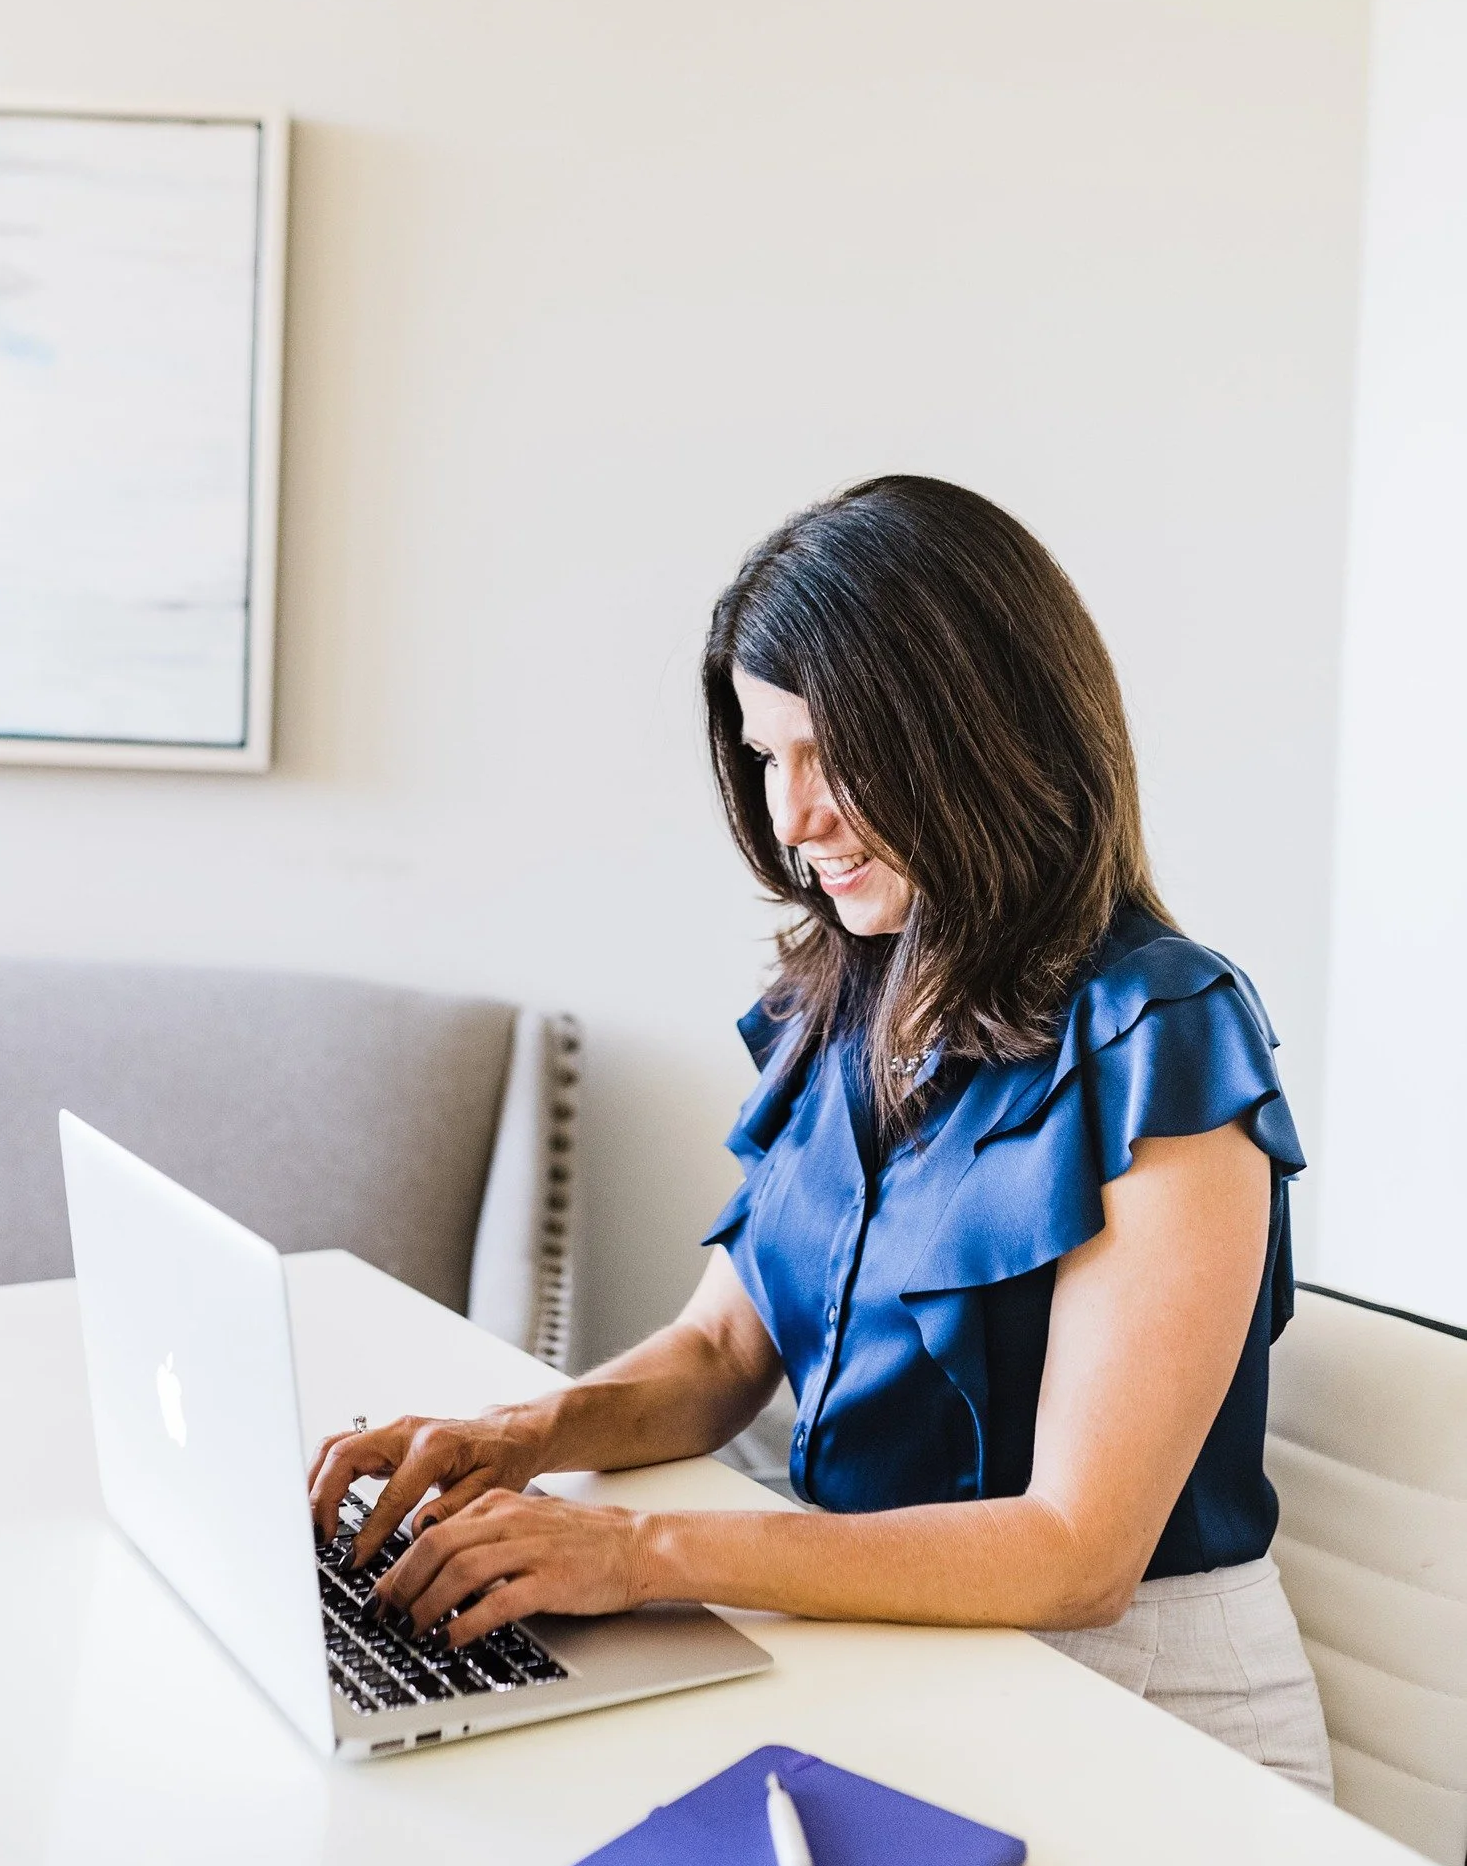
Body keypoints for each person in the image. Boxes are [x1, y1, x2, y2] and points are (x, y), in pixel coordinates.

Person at [309, 475, 1332, 1793]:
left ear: (974, 733)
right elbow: (724, 1345)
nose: (792, 819)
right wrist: (516, 1436)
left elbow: (1076, 1553)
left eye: (830, 755)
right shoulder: (839, 996)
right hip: (898, 1654)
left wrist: (635, 1555)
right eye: (763, 756)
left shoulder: (1162, 1025)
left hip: (1148, 1721)